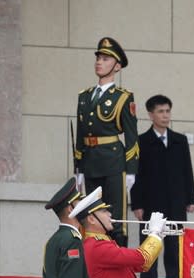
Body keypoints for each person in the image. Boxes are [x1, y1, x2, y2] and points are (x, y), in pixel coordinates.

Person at [74, 37, 139, 247]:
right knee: (93, 216)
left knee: (115, 219)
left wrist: (131, 171)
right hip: (91, 162)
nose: (99, 62)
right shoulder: (84, 96)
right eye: (98, 58)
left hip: (113, 162)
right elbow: (81, 135)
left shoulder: (123, 97)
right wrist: (79, 167)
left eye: (105, 59)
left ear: (117, 66)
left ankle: (119, 261)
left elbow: (131, 137)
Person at [131, 94, 194, 278]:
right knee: (149, 247)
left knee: (175, 248)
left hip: (176, 202)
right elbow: (135, 175)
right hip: (151, 203)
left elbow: (187, 170)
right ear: (151, 115)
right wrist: (136, 204)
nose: (165, 115)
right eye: (160, 111)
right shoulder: (141, 141)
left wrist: (191, 198)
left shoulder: (179, 140)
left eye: (168, 111)